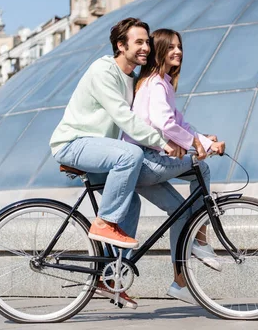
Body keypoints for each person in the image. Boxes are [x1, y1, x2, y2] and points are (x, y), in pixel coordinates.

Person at [50, 17, 184, 309]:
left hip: (103, 153)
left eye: (147, 41)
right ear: (121, 46)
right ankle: (103, 223)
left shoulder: (134, 80)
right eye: (139, 42)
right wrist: (163, 143)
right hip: (74, 144)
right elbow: (125, 118)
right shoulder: (104, 70)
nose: (146, 47)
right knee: (130, 156)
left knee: (131, 202)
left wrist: (189, 138)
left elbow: (149, 119)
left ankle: (112, 277)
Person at [122, 28, 226, 304]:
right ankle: (201, 241)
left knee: (179, 212)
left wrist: (203, 140)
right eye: (171, 47)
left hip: (145, 162)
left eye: (179, 47)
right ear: (159, 51)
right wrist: (197, 144)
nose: (177, 51)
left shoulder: (161, 83)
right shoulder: (156, 83)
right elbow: (164, 123)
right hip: (144, 160)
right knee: (200, 169)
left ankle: (180, 282)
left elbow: (179, 123)